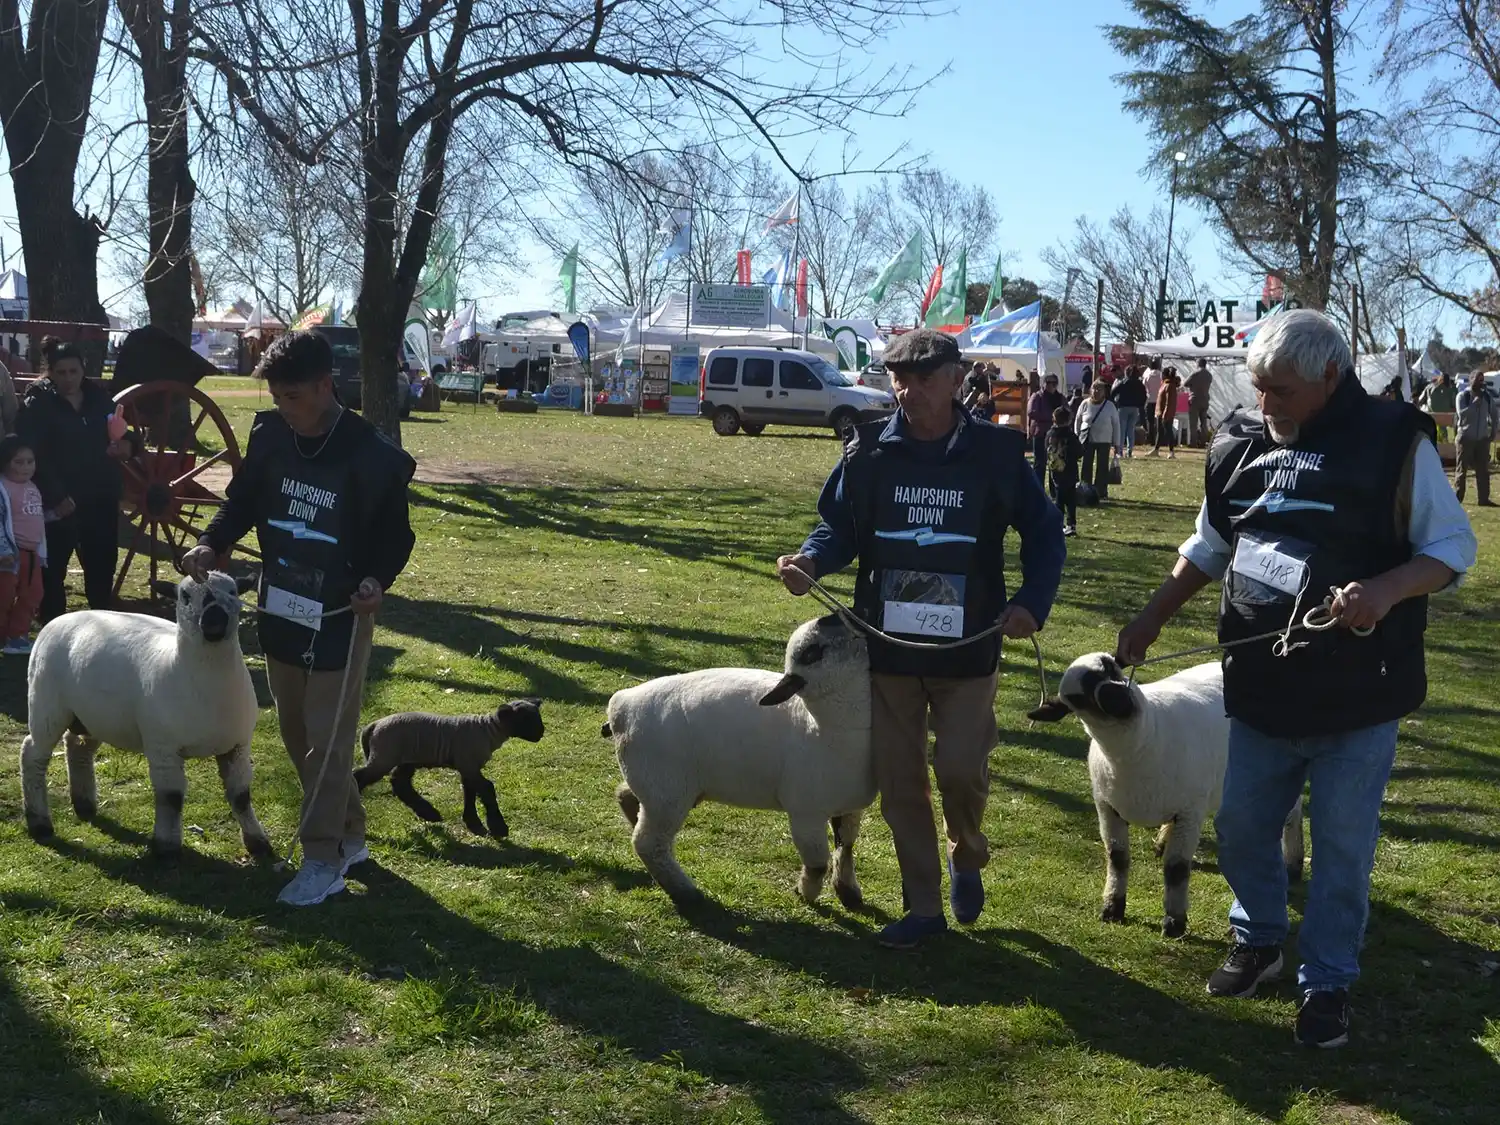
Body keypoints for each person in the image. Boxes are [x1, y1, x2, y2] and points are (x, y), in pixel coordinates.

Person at [1116, 309, 1476, 1049]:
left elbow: (1450, 545)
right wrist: (1152, 616)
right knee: (1243, 826)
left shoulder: (1392, 441)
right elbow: (1211, 544)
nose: (1266, 402)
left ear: (1331, 377)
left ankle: (1328, 984)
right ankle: (1260, 940)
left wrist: (1384, 590)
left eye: (1280, 389)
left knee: (1342, 848)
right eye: (1258, 387)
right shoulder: (1241, 441)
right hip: (1261, 688)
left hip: (1359, 693)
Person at [776, 328, 1065, 950]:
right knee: (899, 778)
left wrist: (1031, 604)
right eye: (897, 379)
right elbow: (838, 528)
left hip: (970, 646)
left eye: (919, 378)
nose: (904, 391)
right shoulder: (869, 449)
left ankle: (967, 852)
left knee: (960, 768)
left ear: (955, 379)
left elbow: (1045, 534)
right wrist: (810, 561)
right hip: (886, 647)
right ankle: (924, 907)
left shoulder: (995, 453)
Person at [184, 330, 416, 907]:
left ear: (323, 385)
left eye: (291, 396)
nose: (282, 407)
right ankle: (352, 834)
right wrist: (214, 543)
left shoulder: (370, 455)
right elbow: (243, 500)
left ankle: (322, 859)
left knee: (329, 741)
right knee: (295, 732)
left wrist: (375, 581)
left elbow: (397, 534)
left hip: (340, 613)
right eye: (276, 397)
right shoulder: (270, 437)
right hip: (282, 603)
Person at [16, 336, 137, 621]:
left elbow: (125, 432)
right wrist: (56, 496)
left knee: (101, 568)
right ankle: (52, 632)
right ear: (51, 373)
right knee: (53, 573)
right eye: (61, 372)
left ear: (83, 370)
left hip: (100, 498)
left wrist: (126, 446)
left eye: (74, 371)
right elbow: (32, 455)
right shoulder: (39, 403)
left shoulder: (98, 398)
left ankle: (101, 629)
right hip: (60, 504)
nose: (69, 378)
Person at [0, 436, 46, 654]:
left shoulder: (32, 487)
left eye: (30, 461)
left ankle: (17, 636)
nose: (26, 467)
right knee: (4, 596)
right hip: (10, 555)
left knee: (33, 593)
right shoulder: (2, 488)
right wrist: (3, 550)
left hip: (32, 553)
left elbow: (35, 517)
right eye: (19, 462)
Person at [1453, 371, 1498, 507]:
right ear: (1471, 380)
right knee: (1462, 470)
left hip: (1482, 440)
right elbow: (1462, 415)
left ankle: (1484, 499)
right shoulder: (1463, 396)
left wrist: (1493, 432)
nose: (1480, 383)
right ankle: (1457, 498)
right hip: (1465, 438)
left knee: (1483, 471)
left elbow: (1494, 415)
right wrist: (1473, 405)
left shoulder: (1487, 397)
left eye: (1482, 380)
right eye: (1478, 380)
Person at [1073, 379, 1121, 501]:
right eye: (1094, 388)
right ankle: (1085, 489)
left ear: (1104, 392)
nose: (1096, 391)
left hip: (1104, 441)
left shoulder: (1110, 406)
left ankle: (1100, 491)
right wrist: (1077, 436)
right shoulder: (1084, 404)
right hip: (1088, 440)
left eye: (1099, 389)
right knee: (1086, 465)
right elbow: (1078, 420)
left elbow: (1116, 425)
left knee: (1102, 467)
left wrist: (1117, 443)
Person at [1046, 404, 1081, 536]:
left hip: (1055, 471)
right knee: (1071, 499)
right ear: (1069, 420)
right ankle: (1071, 524)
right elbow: (1079, 451)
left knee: (1058, 499)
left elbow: (1046, 448)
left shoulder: (1050, 434)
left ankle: (1058, 524)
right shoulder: (1070, 436)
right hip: (1070, 471)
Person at [1026, 373, 1066, 481]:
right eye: (1048, 382)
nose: (1051, 385)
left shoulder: (1060, 398)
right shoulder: (1037, 396)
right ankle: (1038, 489)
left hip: (1057, 435)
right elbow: (1031, 412)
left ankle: (1054, 491)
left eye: (1054, 383)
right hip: (1040, 433)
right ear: (1044, 383)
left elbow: (1067, 412)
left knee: (1055, 463)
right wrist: (1051, 417)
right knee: (1040, 463)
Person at [1110, 365, 1148, 458]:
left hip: (1123, 407)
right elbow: (1144, 396)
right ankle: (1129, 451)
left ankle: (1119, 451)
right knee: (1130, 430)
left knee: (1121, 430)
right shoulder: (1140, 383)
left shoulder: (1124, 382)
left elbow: (1113, 392)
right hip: (1135, 408)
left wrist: (1116, 402)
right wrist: (1140, 405)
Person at [1417, 371, 1456, 444]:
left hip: (1431, 414)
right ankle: (1444, 444)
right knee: (1443, 432)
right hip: (1446, 415)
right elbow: (1454, 404)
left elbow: (1420, 400)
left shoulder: (1430, 386)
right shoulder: (1451, 389)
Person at [1151, 370, 1181, 458]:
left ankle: (1171, 452)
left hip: (1165, 413)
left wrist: (1166, 413)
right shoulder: (1164, 384)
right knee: (1159, 432)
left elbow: (1169, 402)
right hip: (1160, 412)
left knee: (1168, 432)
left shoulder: (1169, 386)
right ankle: (1156, 450)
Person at [1186, 358, 1213, 447]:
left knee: (1193, 423)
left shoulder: (1195, 373)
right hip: (1205, 400)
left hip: (1195, 399)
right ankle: (1202, 442)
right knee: (1203, 423)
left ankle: (1193, 442)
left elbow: (1186, 383)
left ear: (1198, 364)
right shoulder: (1209, 375)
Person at [1143, 358, 1163, 446]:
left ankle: (1151, 439)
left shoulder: (1147, 376)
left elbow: (1144, 387)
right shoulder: (1161, 376)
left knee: (1150, 421)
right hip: (1159, 401)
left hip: (1150, 400)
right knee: (1160, 422)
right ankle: (1160, 440)